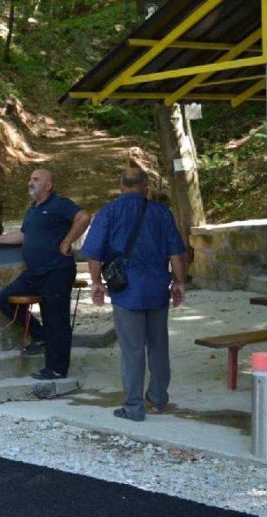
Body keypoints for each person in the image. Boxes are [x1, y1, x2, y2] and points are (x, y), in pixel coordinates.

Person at [81, 167, 187, 422]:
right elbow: (176, 253)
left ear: (121, 187)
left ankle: (133, 407)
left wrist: (96, 283)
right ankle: (158, 398)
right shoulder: (161, 212)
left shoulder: (108, 212)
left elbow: (94, 254)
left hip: (126, 290)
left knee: (132, 349)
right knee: (159, 346)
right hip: (157, 289)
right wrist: (179, 282)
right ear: (146, 187)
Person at [0, 168, 90, 380]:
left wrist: (67, 242)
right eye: (30, 179)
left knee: (56, 320)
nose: (30, 182)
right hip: (35, 272)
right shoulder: (33, 209)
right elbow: (24, 235)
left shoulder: (59, 203)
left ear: (49, 186)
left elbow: (83, 217)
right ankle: (39, 335)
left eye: (36, 179)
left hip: (56, 271)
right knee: (5, 299)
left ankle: (56, 369)